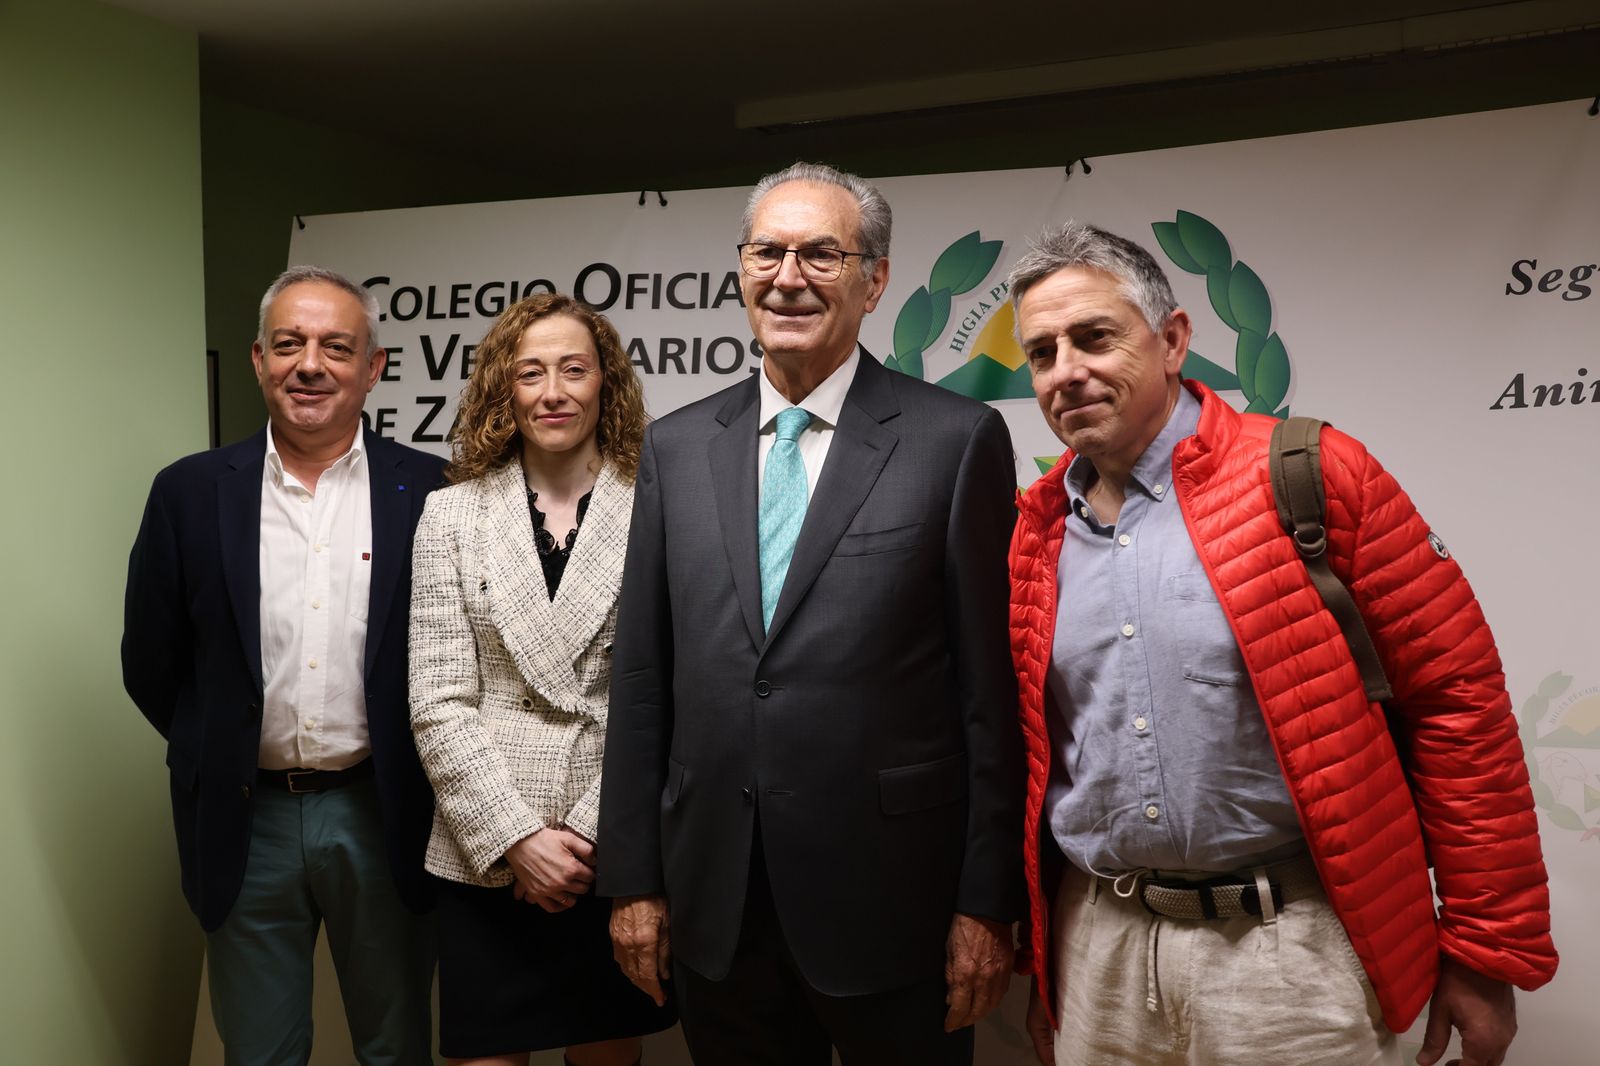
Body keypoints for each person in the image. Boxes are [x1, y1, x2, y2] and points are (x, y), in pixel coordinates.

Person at [1005, 222, 1558, 1066]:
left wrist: (1487, 954)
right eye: (1042, 354)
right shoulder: (1033, 531)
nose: (1065, 371)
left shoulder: (1313, 476)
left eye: (1094, 338)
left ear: (1174, 340)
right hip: (1103, 947)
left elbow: (1458, 708)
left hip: (1290, 952)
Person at [596, 162, 1024, 1066]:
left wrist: (987, 901)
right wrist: (632, 881)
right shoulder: (675, 447)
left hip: (894, 902)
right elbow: (640, 681)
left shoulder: (955, 441)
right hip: (717, 899)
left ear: (875, 281)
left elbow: (991, 696)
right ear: (741, 270)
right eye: (768, 253)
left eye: (822, 254)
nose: (788, 277)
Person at [122, 266, 444, 1065]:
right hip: (245, 818)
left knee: (397, 1048)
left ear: (373, 367)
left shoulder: (433, 490)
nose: (310, 365)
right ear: (259, 359)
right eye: (290, 344)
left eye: (336, 347)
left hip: (384, 810)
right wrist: (220, 744)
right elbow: (150, 660)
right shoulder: (189, 492)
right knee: (261, 1053)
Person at [408, 293, 675, 1066]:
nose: (553, 392)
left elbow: (669, 696)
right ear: (506, 388)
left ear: (605, 383)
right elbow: (437, 700)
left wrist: (585, 837)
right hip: (486, 852)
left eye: (573, 370)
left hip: (607, 849)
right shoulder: (450, 515)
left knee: (604, 1055)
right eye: (531, 373)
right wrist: (518, 839)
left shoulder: (659, 507)